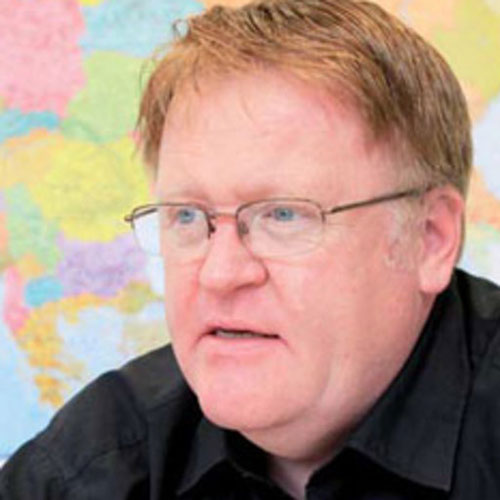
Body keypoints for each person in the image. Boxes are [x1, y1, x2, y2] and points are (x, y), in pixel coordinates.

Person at [2, 0, 500, 498]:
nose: (219, 274)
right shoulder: (96, 462)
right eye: (187, 216)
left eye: (282, 215)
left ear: (429, 239)